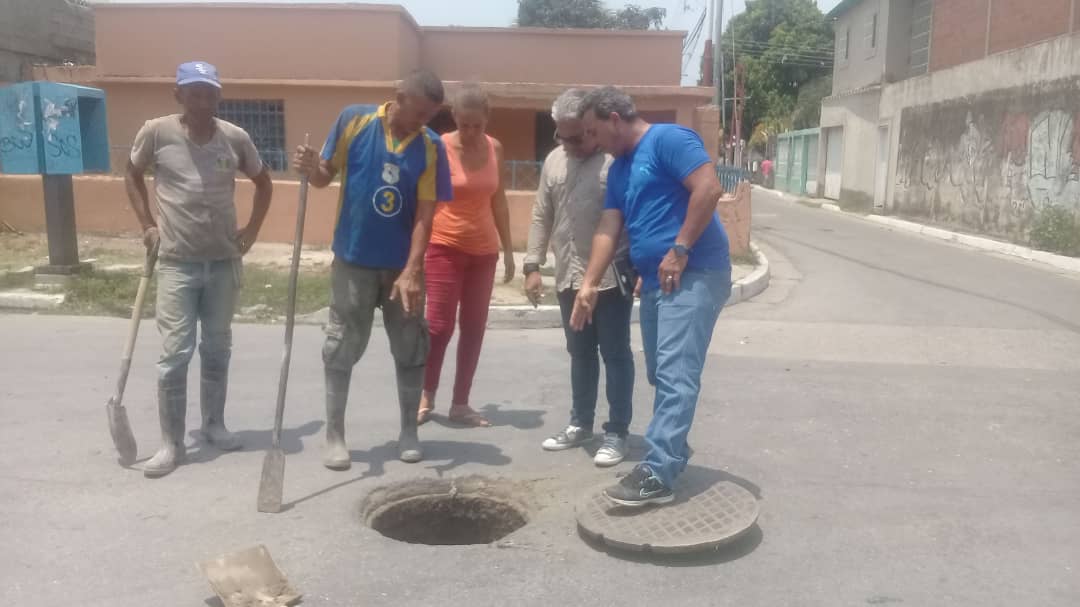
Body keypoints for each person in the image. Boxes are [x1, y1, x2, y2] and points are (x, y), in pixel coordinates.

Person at [571, 86, 732, 507]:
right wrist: (589, 282)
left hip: (695, 272)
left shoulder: (668, 140)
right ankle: (671, 450)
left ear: (615, 120)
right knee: (661, 373)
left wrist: (679, 250)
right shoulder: (620, 169)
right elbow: (609, 227)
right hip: (657, 280)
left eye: (594, 131)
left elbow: (708, 189)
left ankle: (658, 472)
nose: (592, 141)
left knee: (677, 373)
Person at [293, 70, 452, 470]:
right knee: (341, 345)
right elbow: (324, 177)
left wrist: (413, 269)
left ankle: (408, 431)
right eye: (418, 113)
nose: (422, 123)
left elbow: (425, 214)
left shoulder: (431, 146)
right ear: (398, 96)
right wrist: (311, 167)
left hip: (402, 268)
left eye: (429, 117)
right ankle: (335, 435)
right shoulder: (354, 120)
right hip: (354, 260)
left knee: (412, 347)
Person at [125, 61, 273, 478]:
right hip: (176, 263)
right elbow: (131, 174)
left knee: (218, 347)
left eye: (209, 93)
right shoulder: (157, 132)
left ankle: (214, 424)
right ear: (179, 95)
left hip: (224, 261)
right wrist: (147, 226)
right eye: (194, 92)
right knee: (174, 355)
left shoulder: (234, 138)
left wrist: (253, 232)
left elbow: (264, 183)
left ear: (218, 97)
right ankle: (171, 443)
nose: (202, 101)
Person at [525, 88, 634, 467]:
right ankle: (580, 424)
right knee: (580, 353)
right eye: (561, 135)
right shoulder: (554, 161)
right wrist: (532, 265)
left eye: (574, 135)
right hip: (569, 277)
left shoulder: (615, 163)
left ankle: (617, 431)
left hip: (609, 278)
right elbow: (542, 215)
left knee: (616, 353)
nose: (566, 143)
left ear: (590, 129)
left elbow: (630, 219)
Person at [416, 84, 514, 428]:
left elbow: (498, 201)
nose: (472, 131)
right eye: (465, 123)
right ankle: (425, 394)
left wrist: (510, 251)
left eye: (478, 125)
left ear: (487, 119)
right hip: (444, 245)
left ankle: (460, 403)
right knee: (440, 327)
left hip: (484, 252)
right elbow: (424, 199)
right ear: (454, 117)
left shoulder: (495, 148)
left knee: (473, 328)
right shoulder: (438, 146)